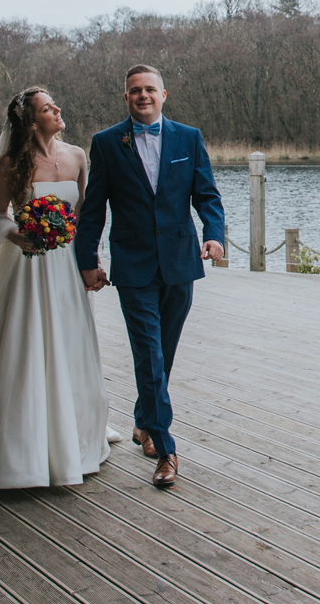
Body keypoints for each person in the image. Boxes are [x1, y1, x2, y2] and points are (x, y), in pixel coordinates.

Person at [0, 87, 122, 488]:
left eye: (55, 103)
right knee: (27, 343)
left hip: (67, 268)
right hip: (27, 268)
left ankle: (73, 436)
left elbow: (86, 215)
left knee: (70, 343)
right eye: (47, 107)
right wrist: (19, 236)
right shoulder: (12, 163)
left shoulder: (77, 156)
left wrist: (92, 262)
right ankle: (21, 447)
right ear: (32, 120)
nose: (57, 109)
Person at [75, 64, 225, 488]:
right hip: (134, 265)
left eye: (149, 90)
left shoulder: (188, 138)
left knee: (165, 352)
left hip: (181, 263)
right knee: (150, 355)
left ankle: (144, 420)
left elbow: (207, 195)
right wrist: (87, 260)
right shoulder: (106, 143)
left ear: (164, 94)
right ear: (126, 98)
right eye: (135, 91)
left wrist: (214, 236)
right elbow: (93, 210)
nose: (143, 96)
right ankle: (166, 448)